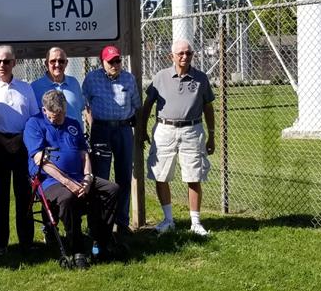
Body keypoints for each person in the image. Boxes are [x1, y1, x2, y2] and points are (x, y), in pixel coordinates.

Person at [25, 89, 121, 269]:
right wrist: (69, 183)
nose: (58, 119)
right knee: (68, 198)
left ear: (65, 109)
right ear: (44, 110)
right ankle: (77, 249)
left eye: (61, 114)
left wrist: (87, 178)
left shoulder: (73, 124)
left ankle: (101, 241)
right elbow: (41, 161)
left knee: (111, 189)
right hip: (50, 181)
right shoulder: (34, 124)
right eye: (53, 116)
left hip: (79, 176)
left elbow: (84, 154)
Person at [138, 39, 216, 236]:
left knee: (194, 176)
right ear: (171, 56)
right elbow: (147, 105)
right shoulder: (161, 77)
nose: (184, 57)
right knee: (161, 175)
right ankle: (168, 220)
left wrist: (212, 135)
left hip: (193, 131)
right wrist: (142, 129)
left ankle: (196, 222)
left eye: (188, 53)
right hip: (165, 130)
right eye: (180, 53)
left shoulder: (201, 78)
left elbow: (208, 107)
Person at [82, 44, 140, 236]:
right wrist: (93, 124)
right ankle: (99, 223)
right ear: (102, 62)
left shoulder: (129, 79)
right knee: (100, 178)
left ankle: (121, 221)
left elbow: (136, 105)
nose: (115, 64)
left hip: (123, 129)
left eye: (118, 60)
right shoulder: (92, 79)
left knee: (124, 175)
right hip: (101, 130)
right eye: (111, 61)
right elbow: (85, 103)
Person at [0, 44, 40, 253]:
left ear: (14, 63)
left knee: (24, 196)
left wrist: (19, 138)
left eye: (6, 61)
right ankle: (1, 245)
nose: (2, 65)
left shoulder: (25, 88)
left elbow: (34, 117)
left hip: (22, 146)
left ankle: (26, 242)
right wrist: (2, 140)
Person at [31, 46, 85, 122]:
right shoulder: (35, 87)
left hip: (75, 132)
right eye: (53, 61)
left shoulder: (74, 83)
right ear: (46, 63)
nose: (57, 65)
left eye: (61, 61)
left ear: (66, 63)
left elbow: (81, 107)